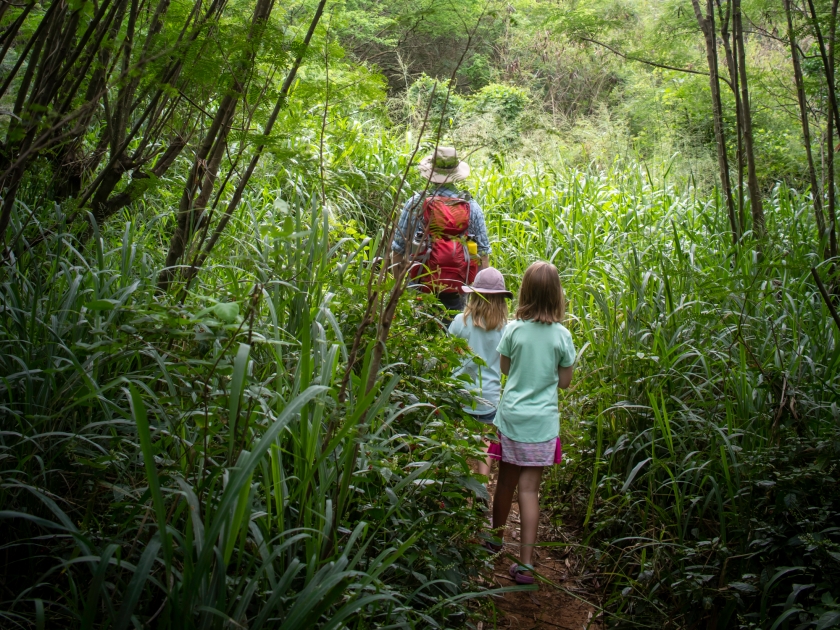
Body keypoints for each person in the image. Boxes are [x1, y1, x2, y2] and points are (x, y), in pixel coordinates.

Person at [489, 261, 576, 586]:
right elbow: (564, 382)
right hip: (541, 425)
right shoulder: (562, 336)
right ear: (557, 296)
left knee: (505, 484)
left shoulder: (513, 330)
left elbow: (505, 369)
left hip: (512, 419)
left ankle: (495, 539)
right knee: (529, 491)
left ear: (524, 293)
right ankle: (525, 563)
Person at [391, 146, 491, 312]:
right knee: (456, 334)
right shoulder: (472, 207)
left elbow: (397, 251)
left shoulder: (415, 204)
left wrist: (399, 292)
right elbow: (483, 256)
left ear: (430, 172)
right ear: (456, 174)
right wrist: (479, 303)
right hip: (459, 291)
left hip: (419, 291)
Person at [448, 268, 513, 480]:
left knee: (459, 440)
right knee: (486, 440)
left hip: (460, 394)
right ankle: (482, 485)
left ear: (473, 295)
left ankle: (457, 482)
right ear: (502, 301)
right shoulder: (505, 328)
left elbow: (446, 353)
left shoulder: (460, 321)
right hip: (489, 397)